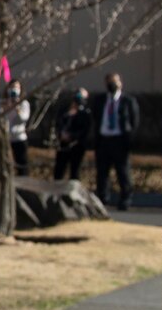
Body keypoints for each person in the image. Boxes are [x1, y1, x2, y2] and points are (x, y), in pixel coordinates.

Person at [96, 71, 140, 210]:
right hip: (104, 140)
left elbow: (134, 121)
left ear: (120, 83)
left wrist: (129, 140)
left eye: (115, 81)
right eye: (109, 82)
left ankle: (125, 200)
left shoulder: (128, 101)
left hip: (120, 141)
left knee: (123, 172)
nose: (112, 84)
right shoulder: (100, 100)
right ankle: (102, 200)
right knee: (102, 172)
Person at [54, 88, 92, 181]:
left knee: (75, 171)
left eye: (81, 96)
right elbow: (58, 124)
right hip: (63, 143)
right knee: (59, 169)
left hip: (77, 144)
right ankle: (57, 192)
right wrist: (61, 135)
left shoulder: (85, 113)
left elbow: (85, 129)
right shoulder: (65, 110)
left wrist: (72, 136)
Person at [2, 81, 30, 174]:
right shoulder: (2, 103)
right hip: (6, 138)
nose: (14, 90)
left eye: (16, 87)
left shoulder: (24, 104)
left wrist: (17, 107)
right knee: (5, 166)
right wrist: (6, 107)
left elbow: (22, 119)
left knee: (22, 165)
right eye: (12, 87)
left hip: (19, 138)